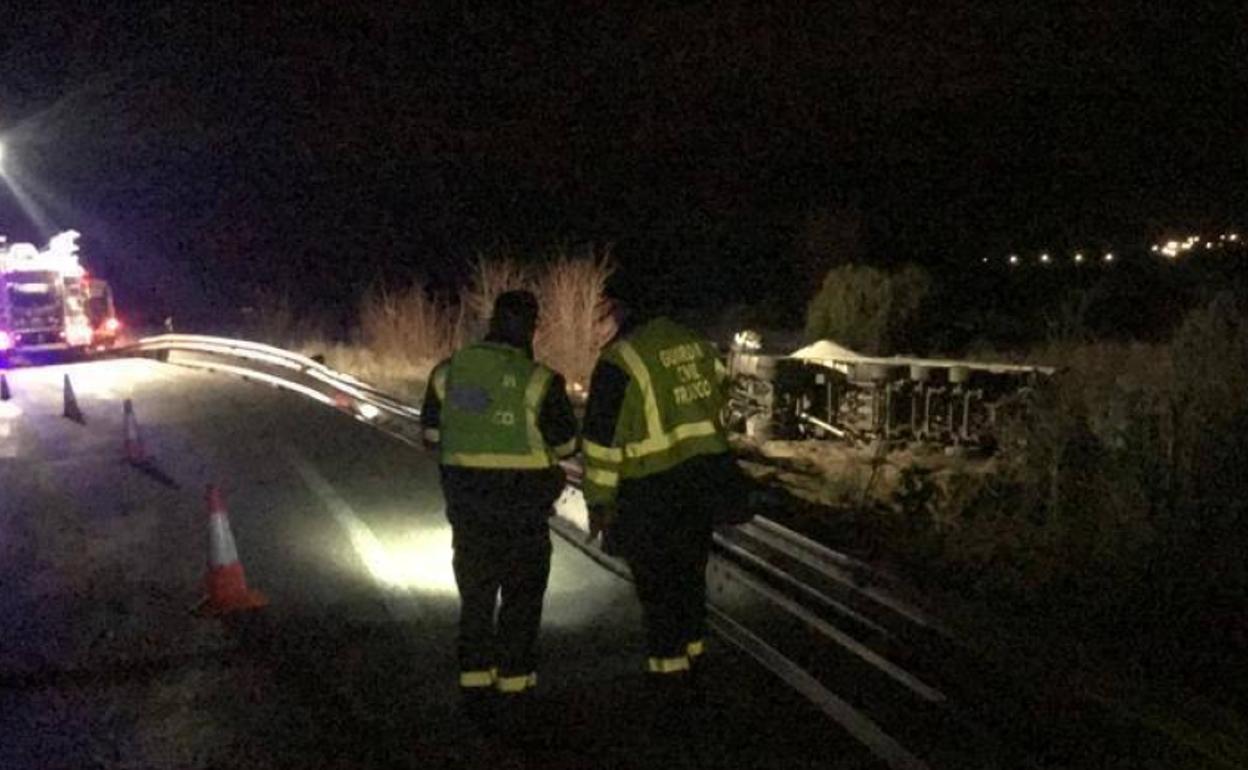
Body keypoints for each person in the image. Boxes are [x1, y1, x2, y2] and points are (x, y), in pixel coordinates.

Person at [580, 283, 752, 699]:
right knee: (689, 579)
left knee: (658, 593)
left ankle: (669, 683)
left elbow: (601, 447)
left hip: (649, 493)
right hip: (701, 485)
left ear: (624, 312)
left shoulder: (621, 360)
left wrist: (599, 503)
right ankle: (695, 662)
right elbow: (726, 405)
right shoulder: (698, 346)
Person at [420, 289, 578, 722]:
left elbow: (432, 437)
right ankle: (515, 690)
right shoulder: (540, 380)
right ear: (532, 328)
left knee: (475, 598)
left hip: (468, 512)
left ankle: (474, 686)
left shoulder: (448, 373)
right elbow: (566, 445)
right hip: (524, 515)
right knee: (522, 601)